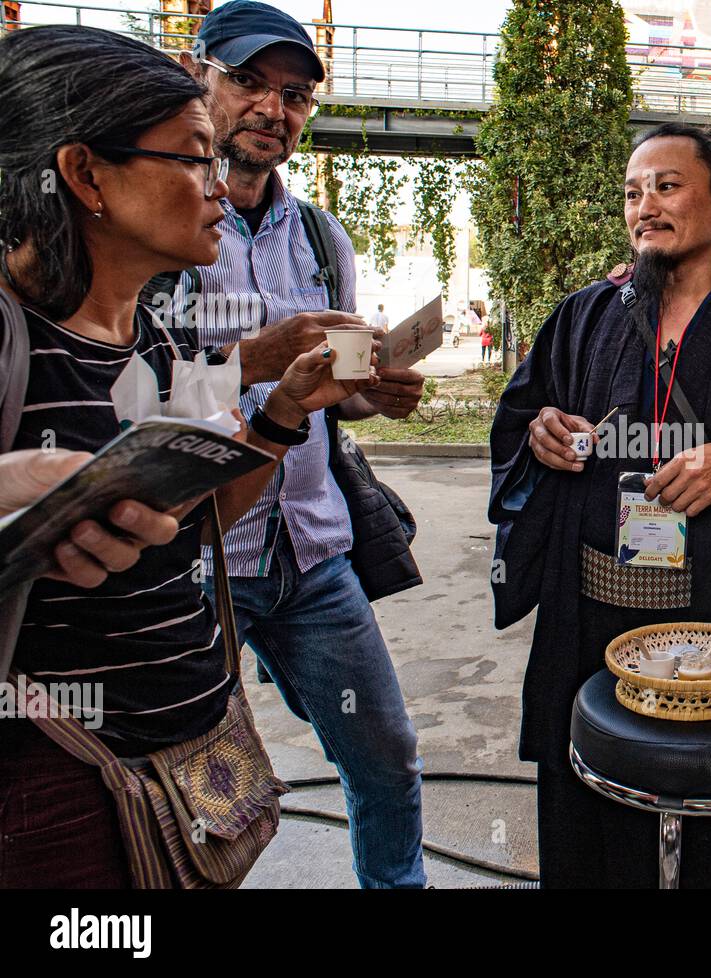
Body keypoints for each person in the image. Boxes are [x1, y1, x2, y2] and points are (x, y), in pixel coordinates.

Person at [0, 24, 374, 887]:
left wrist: (279, 419)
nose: (219, 189)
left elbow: (194, 525)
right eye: (194, 160)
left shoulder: (159, 339)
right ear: (86, 173)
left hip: (187, 774)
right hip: (59, 798)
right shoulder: (12, 338)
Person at [488, 123, 711, 888]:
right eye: (632, 192)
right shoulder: (585, 316)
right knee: (589, 811)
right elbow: (521, 419)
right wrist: (542, 434)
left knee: (707, 818)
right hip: (589, 611)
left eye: (666, 186)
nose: (645, 206)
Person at [179, 0, 427, 889]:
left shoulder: (323, 236)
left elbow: (329, 405)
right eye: (247, 80)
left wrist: (373, 395)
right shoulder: (159, 228)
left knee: (387, 755)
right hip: (200, 554)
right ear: (196, 73)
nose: (270, 109)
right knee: (193, 791)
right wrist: (255, 357)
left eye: (292, 95)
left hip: (313, 550)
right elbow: (131, 395)